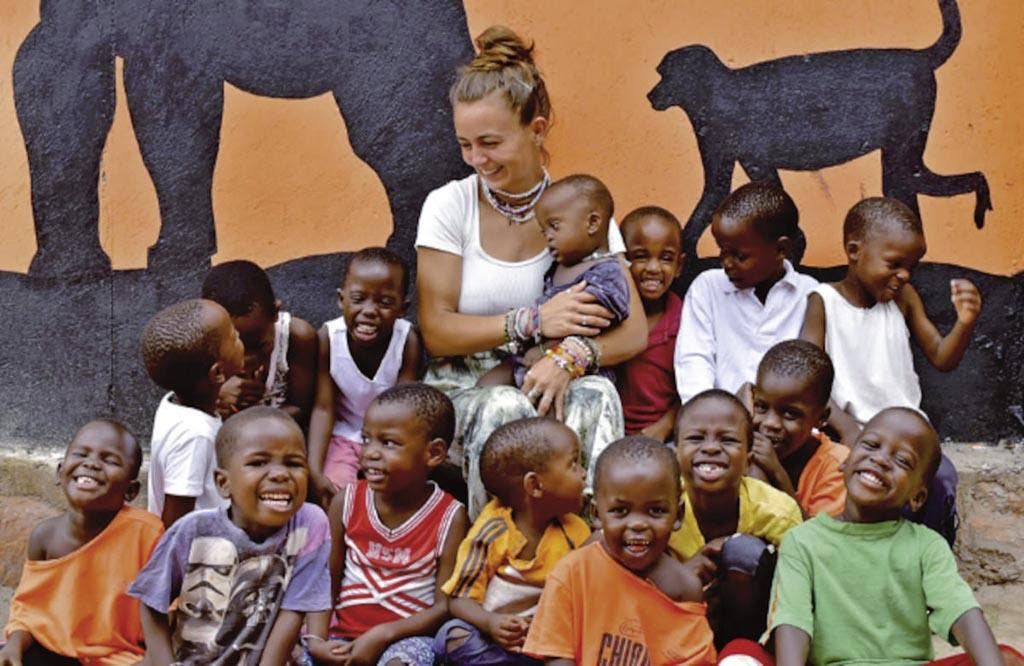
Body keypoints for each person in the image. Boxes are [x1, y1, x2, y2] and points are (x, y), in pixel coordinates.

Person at [415, 25, 646, 517]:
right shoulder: (450, 206)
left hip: (556, 370)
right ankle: (495, 559)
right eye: (465, 145)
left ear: (536, 129)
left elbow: (635, 333)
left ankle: (597, 552)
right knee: (505, 407)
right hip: (467, 387)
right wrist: (532, 322)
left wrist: (570, 359)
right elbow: (436, 330)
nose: (477, 159)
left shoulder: (580, 209)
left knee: (597, 393)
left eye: (490, 142)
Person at [754, 407, 1013, 666]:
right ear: (845, 461)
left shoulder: (926, 546)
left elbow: (960, 610)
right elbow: (793, 620)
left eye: (902, 461)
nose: (880, 459)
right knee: (742, 652)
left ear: (917, 497)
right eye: (870, 445)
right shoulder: (802, 541)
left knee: (1005, 657)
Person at [801, 197, 979, 545]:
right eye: (895, 264)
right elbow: (810, 379)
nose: (904, 276)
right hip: (850, 435)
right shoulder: (823, 301)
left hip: (908, 436)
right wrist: (848, 430)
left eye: (912, 266)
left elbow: (942, 357)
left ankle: (928, 566)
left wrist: (965, 323)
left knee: (939, 480)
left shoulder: (903, 298)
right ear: (855, 251)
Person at [129, 407, 331, 665]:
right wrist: (164, 662)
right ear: (223, 483)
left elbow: (292, 612)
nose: (281, 474)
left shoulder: (309, 525)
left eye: (293, 463)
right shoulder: (193, 530)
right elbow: (151, 599)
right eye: (258, 462)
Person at [304, 384, 469, 666]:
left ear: (434, 453)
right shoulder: (347, 502)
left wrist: (383, 635)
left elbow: (444, 606)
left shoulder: (450, 516)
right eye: (366, 439)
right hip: (342, 636)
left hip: (406, 639)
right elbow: (326, 579)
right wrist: (317, 641)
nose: (369, 453)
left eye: (388, 443)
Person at [523, 436, 716, 666]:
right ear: (596, 514)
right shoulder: (571, 573)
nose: (637, 524)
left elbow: (693, 659)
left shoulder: (683, 586)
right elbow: (557, 656)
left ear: (678, 515)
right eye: (620, 510)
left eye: (655, 510)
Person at [1, 420, 162, 666]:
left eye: (109, 460)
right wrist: (14, 645)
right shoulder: (45, 537)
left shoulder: (147, 534)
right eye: (81, 454)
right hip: (53, 648)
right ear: (59, 472)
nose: (91, 463)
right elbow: (29, 610)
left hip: (118, 657)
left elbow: (162, 615)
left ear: (131, 491)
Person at [435, 417, 589, 665]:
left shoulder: (575, 531)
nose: (583, 474)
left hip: (542, 643)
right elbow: (458, 599)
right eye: (573, 464)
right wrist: (491, 623)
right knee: (451, 636)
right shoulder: (492, 532)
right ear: (535, 485)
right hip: (493, 640)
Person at [672, 389, 802, 647]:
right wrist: (682, 577)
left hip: (753, 631)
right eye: (696, 438)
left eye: (728, 440)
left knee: (743, 552)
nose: (710, 447)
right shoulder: (659, 504)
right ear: (676, 451)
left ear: (749, 456)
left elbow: (798, 595)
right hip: (677, 628)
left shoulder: (777, 512)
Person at [477, 174, 630, 389]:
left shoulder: (605, 272)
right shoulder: (559, 268)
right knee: (486, 385)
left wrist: (546, 349)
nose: (548, 237)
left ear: (593, 223)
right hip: (531, 356)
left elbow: (593, 322)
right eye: (544, 230)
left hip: (574, 369)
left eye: (555, 226)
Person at [674, 181, 818, 404]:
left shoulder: (810, 295)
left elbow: (811, 373)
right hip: (718, 422)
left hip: (781, 425)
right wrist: (708, 412)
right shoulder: (708, 288)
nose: (726, 263)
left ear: (781, 249)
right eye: (722, 251)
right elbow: (694, 361)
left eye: (739, 256)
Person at [307, 247, 422, 504]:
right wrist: (313, 470)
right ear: (341, 300)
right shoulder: (328, 338)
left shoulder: (407, 340)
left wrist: (382, 450)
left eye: (384, 303)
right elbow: (323, 408)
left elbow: (404, 409)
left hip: (390, 436)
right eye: (359, 299)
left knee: (391, 497)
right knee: (336, 498)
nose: (369, 311)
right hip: (344, 436)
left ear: (403, 308)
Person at [141, 298, 245, 527]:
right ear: (217, 372)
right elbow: (175, 523)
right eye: (234, 335)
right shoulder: (195, 436)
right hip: (205, 551)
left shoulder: (172, 403)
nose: (239, 335)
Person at [201, 260, 318, 427]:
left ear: (276, 312)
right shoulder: (199, 345)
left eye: (258, 346)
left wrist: (247, 420)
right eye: (232, 347)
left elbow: (301, 408)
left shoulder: (297, 337)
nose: (244, 360)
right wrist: (217, 395)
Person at [748, 340, 848, 518]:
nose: (770, 423)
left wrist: (777, 474)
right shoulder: (739, 448)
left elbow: (819, 541)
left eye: (790, 414)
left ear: (821, 418)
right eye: (761, 407)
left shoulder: (837, 464)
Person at [617, 206, 686, 440]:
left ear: (680, 266)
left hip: (659, 436)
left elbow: (694, 389)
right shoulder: (606, 315)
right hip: (605, 429)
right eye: (640, 257)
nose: (654, 268)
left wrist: (665, 427)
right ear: (621, 261)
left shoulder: (687, 322)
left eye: (666, 258)